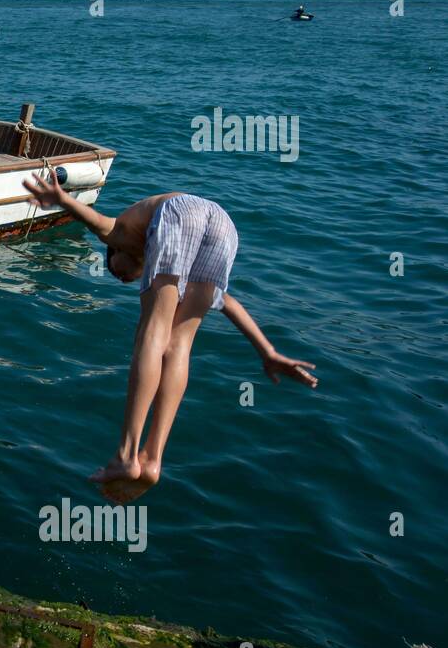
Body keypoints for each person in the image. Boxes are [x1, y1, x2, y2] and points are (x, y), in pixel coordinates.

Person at [22, 173, 318, 503]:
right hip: (223, 225)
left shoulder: (125, 236)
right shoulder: (172, 258)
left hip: (180, 212)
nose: (120, 277)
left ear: (115, 252)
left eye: (115, 268)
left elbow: (105, 228)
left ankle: (126, 454)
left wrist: (64, 201)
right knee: (180, 343)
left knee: (152, 331)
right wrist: (268, 351)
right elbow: (228, 303)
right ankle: (152, 460)